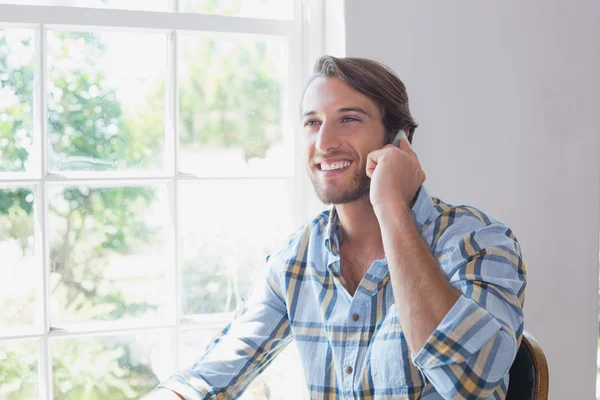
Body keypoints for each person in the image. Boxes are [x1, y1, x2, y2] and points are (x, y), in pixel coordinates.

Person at [144, 56, 526, 400]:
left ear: (399, 141)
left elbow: (471, 380)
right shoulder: (297, 257)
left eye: (349, 119)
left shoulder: (476, 241)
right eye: (313, 123)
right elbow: (212, 377)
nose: (324, 143)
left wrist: (390, 205)